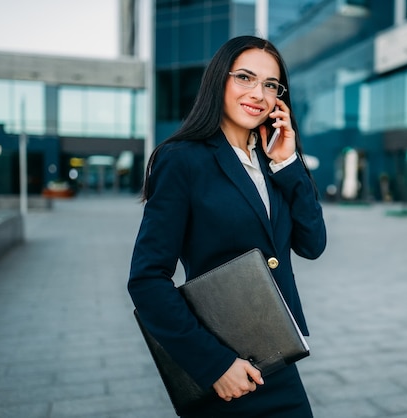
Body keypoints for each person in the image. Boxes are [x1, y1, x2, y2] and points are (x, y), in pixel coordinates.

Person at [128, 35, 327, 418]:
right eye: (245, 78)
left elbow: (312, 244)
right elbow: (146, 280)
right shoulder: (182, 160)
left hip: (279, 357)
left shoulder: (274, 160)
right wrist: (213, 364)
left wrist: (288, 165)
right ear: (219, 81)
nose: (259, 93)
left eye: (271, 85)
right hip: (226, 368)